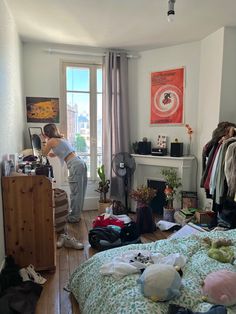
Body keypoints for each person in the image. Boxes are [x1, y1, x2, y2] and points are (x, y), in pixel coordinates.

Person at [41, 123, 87, 224]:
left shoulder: (51, 141)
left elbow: (43, 154)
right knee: (80, 192)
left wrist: (45, 140)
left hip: (75, 165)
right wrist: (54, 153)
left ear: (46, 133)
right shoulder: (61, 138)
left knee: (75, 193)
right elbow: (64, 151)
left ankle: (74, 217)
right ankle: (76, 215)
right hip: (80, 162)